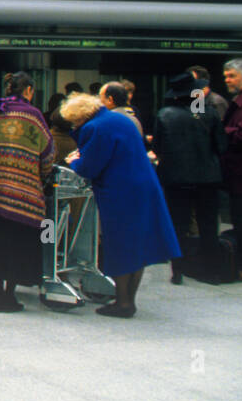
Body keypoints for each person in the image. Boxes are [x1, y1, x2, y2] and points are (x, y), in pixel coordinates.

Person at [61, 92, 181, 317]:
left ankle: (123, 303)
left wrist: (74, 160)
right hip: (145, 186)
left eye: (74, 121)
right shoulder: (121, 119)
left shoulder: (94, 127)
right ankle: (129, 300)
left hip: (120, 191)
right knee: (137, 246)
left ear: (81, 116)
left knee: (120, 246)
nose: (74, 124)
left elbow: (89, 168)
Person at [0, 72, 53, 312]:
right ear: (28, 90)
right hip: (24, 193)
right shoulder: (33, 115)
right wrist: (42, 174)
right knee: (18, 244)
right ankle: (9, 295)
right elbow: (48, 151)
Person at [152, 72, 226, 284]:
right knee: (208, 225)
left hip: (176, 178)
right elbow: (221, 146)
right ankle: (212, 271)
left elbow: (158, 148)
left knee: (178, 225)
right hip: (207, 178)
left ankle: (178, 271)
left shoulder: (165, 114)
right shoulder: (207, 113)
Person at [222, 56, 242, 281]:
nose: (227, 80)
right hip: (235, 175)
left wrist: (224, 131)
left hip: (241, 175)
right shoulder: (232, 101)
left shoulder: (201, 100)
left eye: (231, 76)